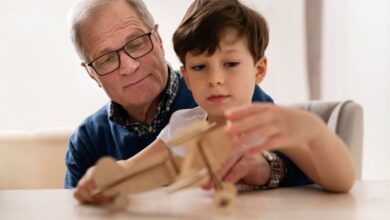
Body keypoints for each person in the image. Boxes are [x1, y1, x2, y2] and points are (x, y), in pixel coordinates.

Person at [71, 0, 355, 204]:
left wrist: (312, 131)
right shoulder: (182, 124)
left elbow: (340, 179)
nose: (216, 79)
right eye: (199, 68)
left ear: (258, 70)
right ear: (187, 77)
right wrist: (104, 178)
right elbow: (134, 167)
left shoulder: (265, 120)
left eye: (230, 63)